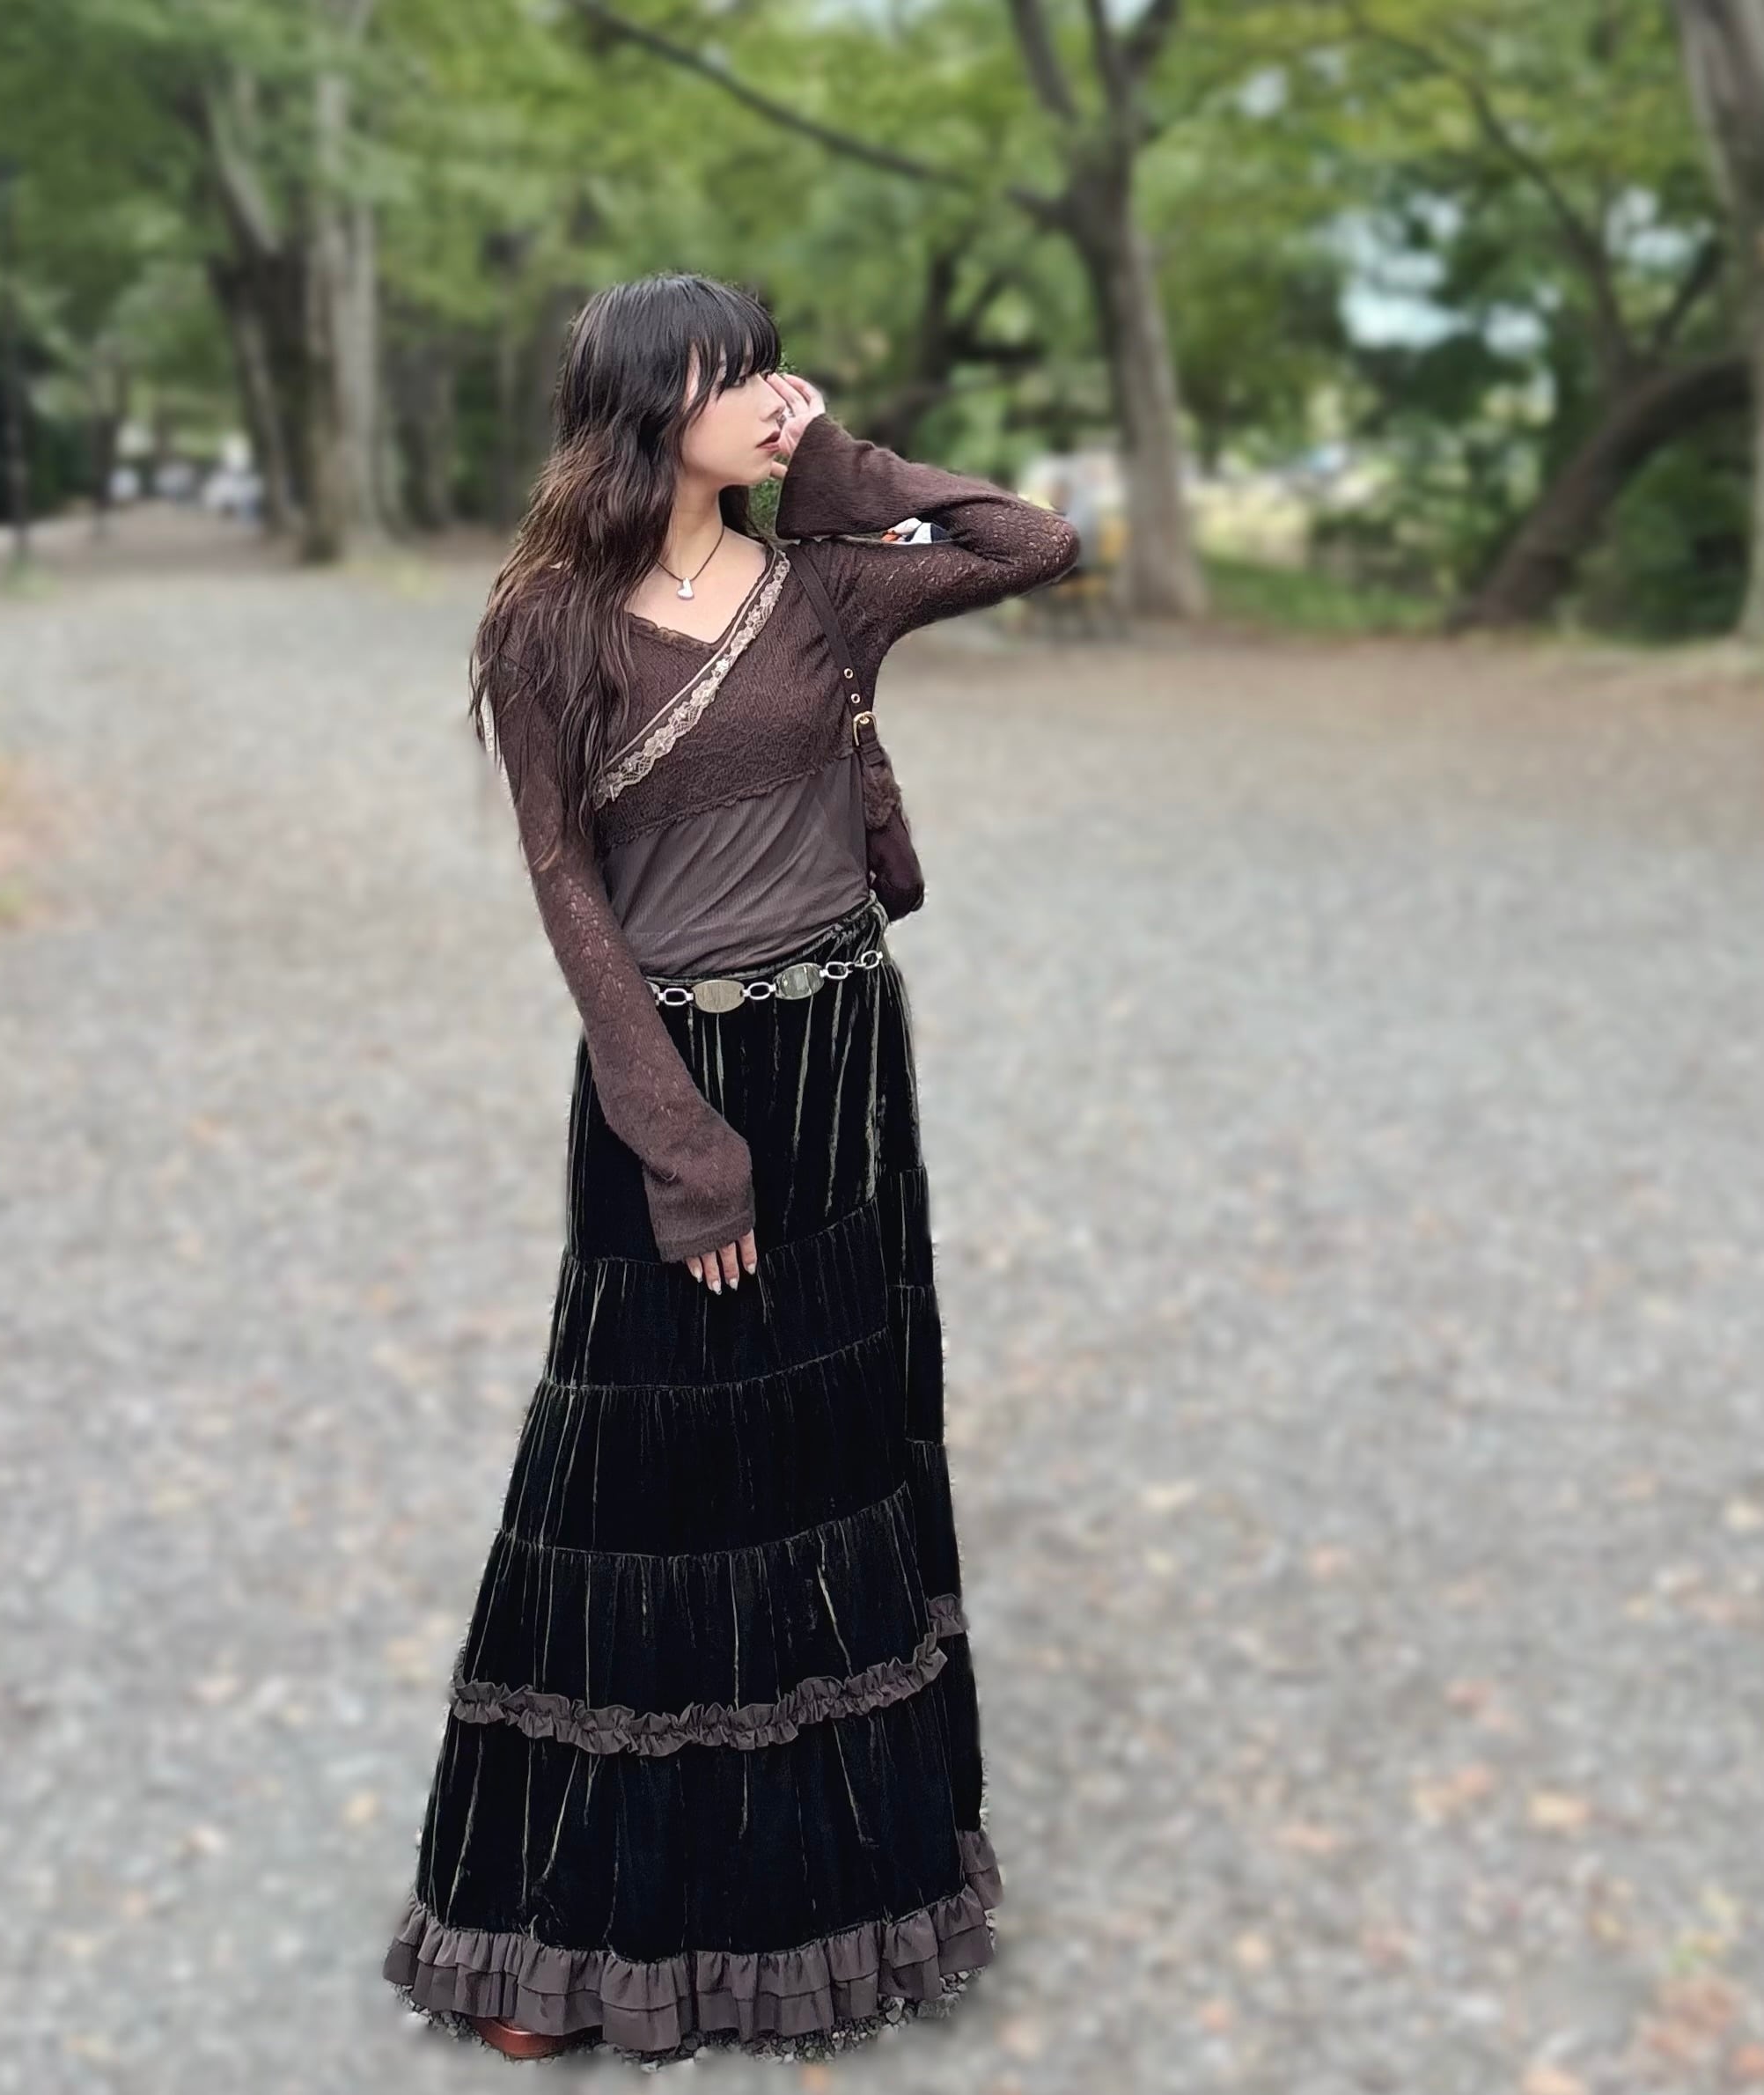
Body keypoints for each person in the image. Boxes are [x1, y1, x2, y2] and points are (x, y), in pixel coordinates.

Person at [379, 272, 1080, 2062]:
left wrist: (838, 460)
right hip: (675, 1079)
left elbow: (1033, 541)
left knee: (827, 1464)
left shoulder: (824, 582)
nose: (770, 394)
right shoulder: (547, 625)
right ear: (644, 407)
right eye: (735, 377)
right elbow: (566, 886)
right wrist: (681, 1148)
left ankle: (828, 1908)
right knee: (636, 1488)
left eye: (775, 369)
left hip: (838, 1063)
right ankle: (551, 1939)